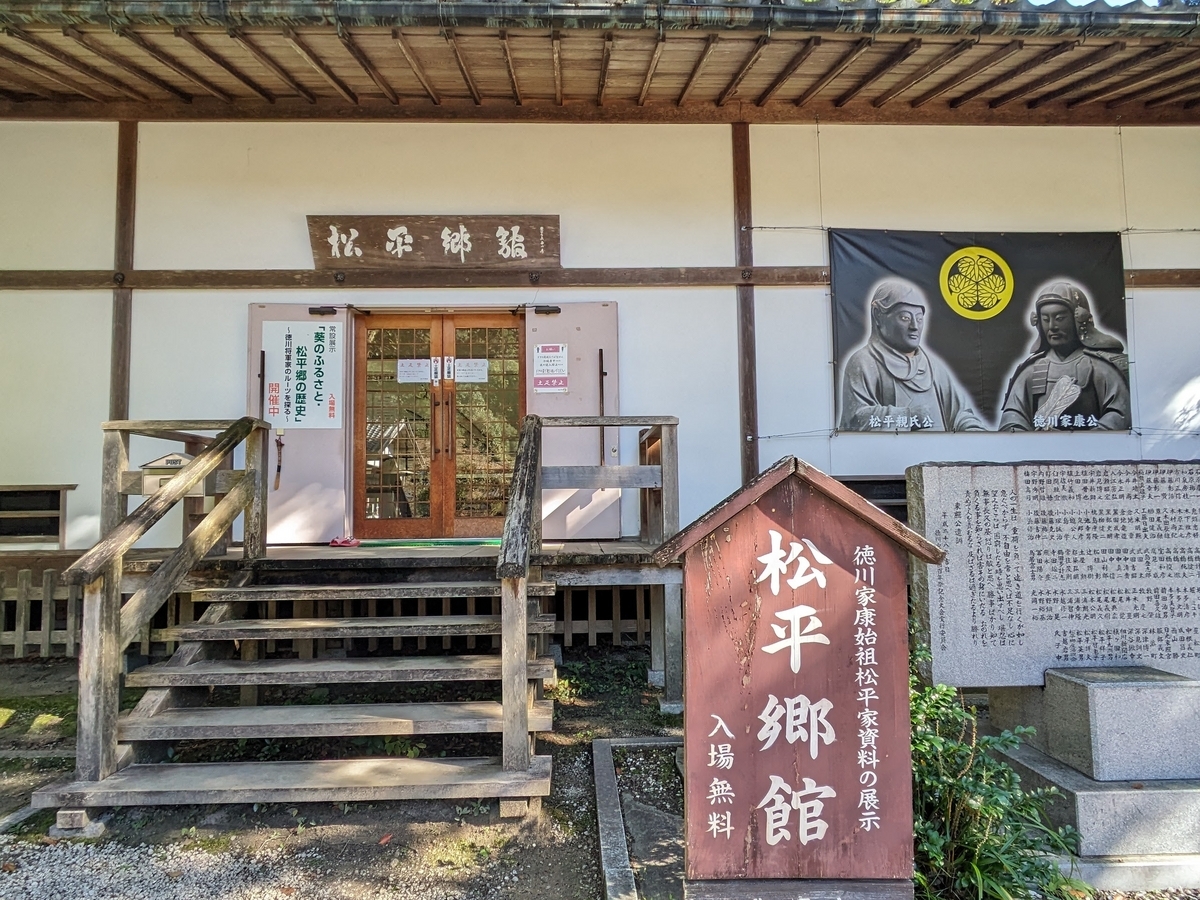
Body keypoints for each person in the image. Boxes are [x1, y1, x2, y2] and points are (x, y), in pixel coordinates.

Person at [839, 280, 986, 432]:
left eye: (919, 319)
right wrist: (909, 417)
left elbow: (960, 415)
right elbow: (856, 419)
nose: (914, 326)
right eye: (905, 318)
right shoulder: (864, 362)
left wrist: (975, 432)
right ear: (878, 315)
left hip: (941, 454)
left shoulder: (933, 366)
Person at [999, 281, 1130, 431]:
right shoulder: (1031, 370)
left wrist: (1088, 441)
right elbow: (1013, 416)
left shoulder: (1100, 367)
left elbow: (1119, 413)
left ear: (1078, 319)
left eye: (1060, 318)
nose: (1052, 327)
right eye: (1046, 320)